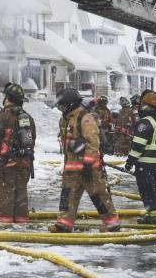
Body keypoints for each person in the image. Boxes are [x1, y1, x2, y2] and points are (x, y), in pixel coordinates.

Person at [49, 88, 121, 233]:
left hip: (90, 170)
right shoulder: (66, 120)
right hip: (71, 170)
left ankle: (112, 224)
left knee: (99, 197)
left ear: (70, 104)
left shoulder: (85, 118)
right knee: (67, 197)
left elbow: (93, 144)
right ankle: (64, 224)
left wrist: (88, 165)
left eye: (63, 105)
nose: (61, 108)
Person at [0, 82, 36, 224]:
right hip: (24, 166)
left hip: (6, 167)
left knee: (5, 198)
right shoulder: (28, 119)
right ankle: (22, 226)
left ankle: (6, 227)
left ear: (8, 98)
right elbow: (31, 141)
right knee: (21, 198)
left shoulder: (2, 117)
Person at [126, 90, 156, 225]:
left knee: (147, 191)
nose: (140, 108)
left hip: (145, 164)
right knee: (155, 190)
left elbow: (138, 146)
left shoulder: (145, 123)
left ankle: (153, 217)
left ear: (149, 107)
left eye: (143, 105)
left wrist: (130, 162)